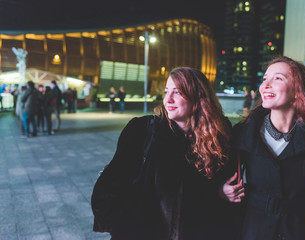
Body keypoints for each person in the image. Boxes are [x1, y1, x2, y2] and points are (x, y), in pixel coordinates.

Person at [91, 67, 238, 239]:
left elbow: (199, 198)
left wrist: (218, 192)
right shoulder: (142, 131)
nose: (168, 99)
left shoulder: (217, 140)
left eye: (177, 92)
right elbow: (109, 188)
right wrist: (123, 229)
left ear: (198, 97)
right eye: (167, 91)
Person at [221, 56, 305, 240]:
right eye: (264, 79)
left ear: (298, 91)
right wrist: (222, 190)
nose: (265, 85)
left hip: (301, 230)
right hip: (254, 229)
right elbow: (221, 177)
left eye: (278, 78)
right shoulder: (243, 133)